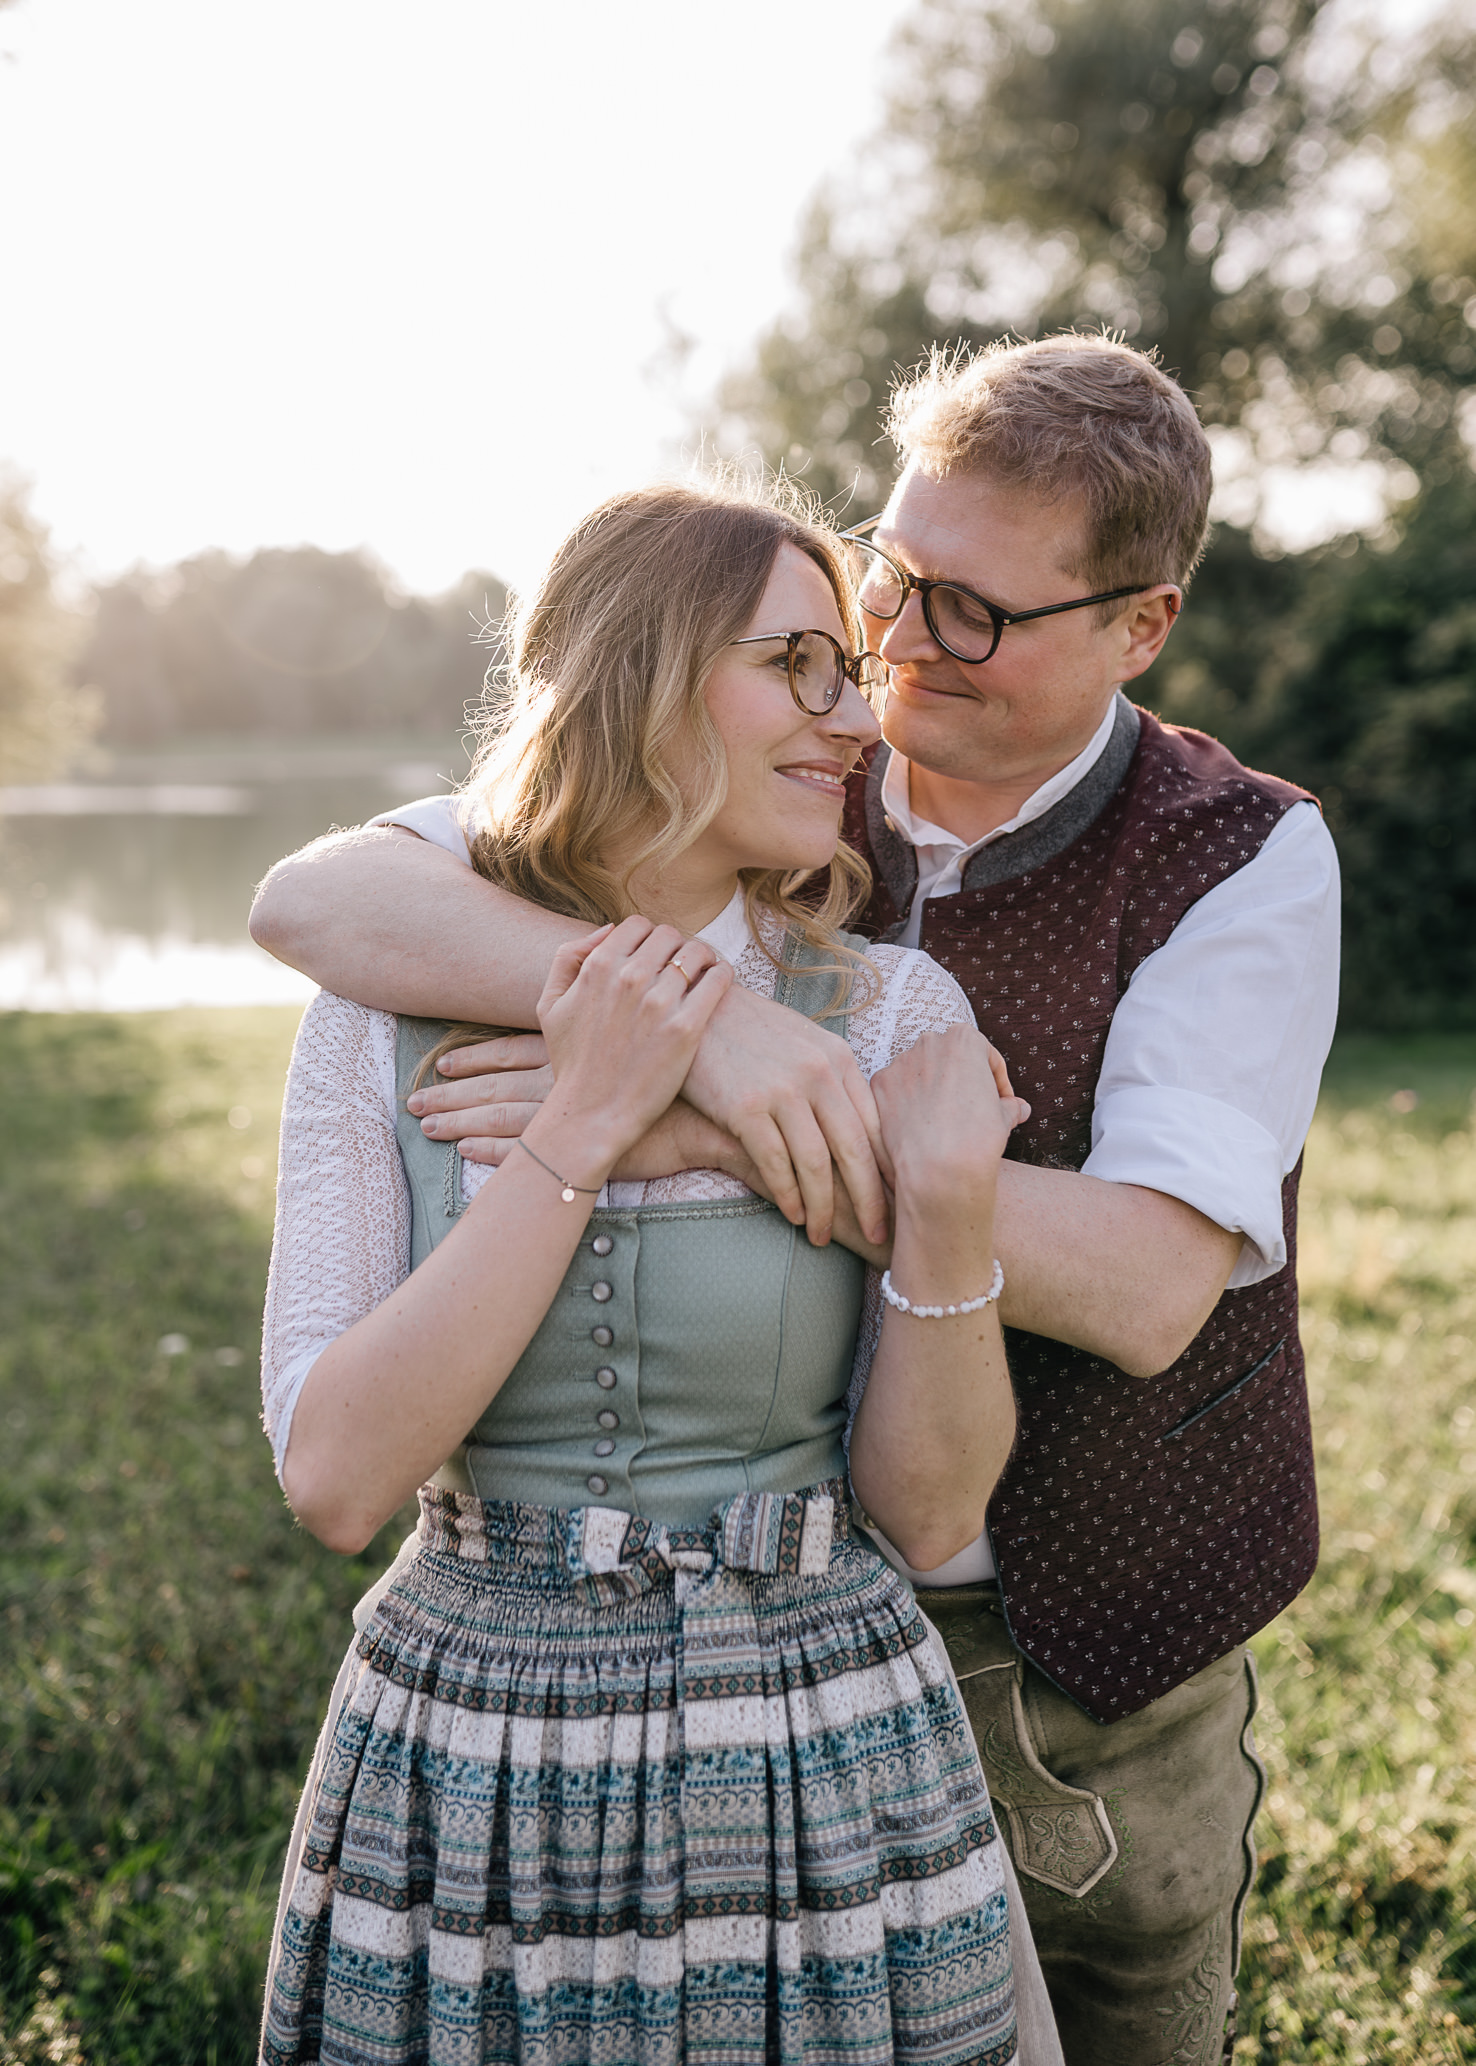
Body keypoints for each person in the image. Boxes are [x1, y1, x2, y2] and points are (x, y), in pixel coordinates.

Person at [250, 335, 1340, 2065]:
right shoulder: (786, 793)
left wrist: (695, 1119)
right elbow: (313, 902)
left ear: (1139, 625)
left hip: (1072, 1659)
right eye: (888, 587)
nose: (891, 663)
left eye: (970, 614)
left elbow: (1145, 1286)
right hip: (556, 1686)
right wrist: (710, 1031)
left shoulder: (1239, 856)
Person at [255, 479, 1062, 2066]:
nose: (857, 722)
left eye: (850, 672)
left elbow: (929, 1513)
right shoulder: (376, 1005)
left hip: (823, 1734)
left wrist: (952, 1205)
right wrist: (586, 1122)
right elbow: (337, 1481)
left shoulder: (895, 1015)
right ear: (639, 676)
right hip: (472, 1744)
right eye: (799, 666)